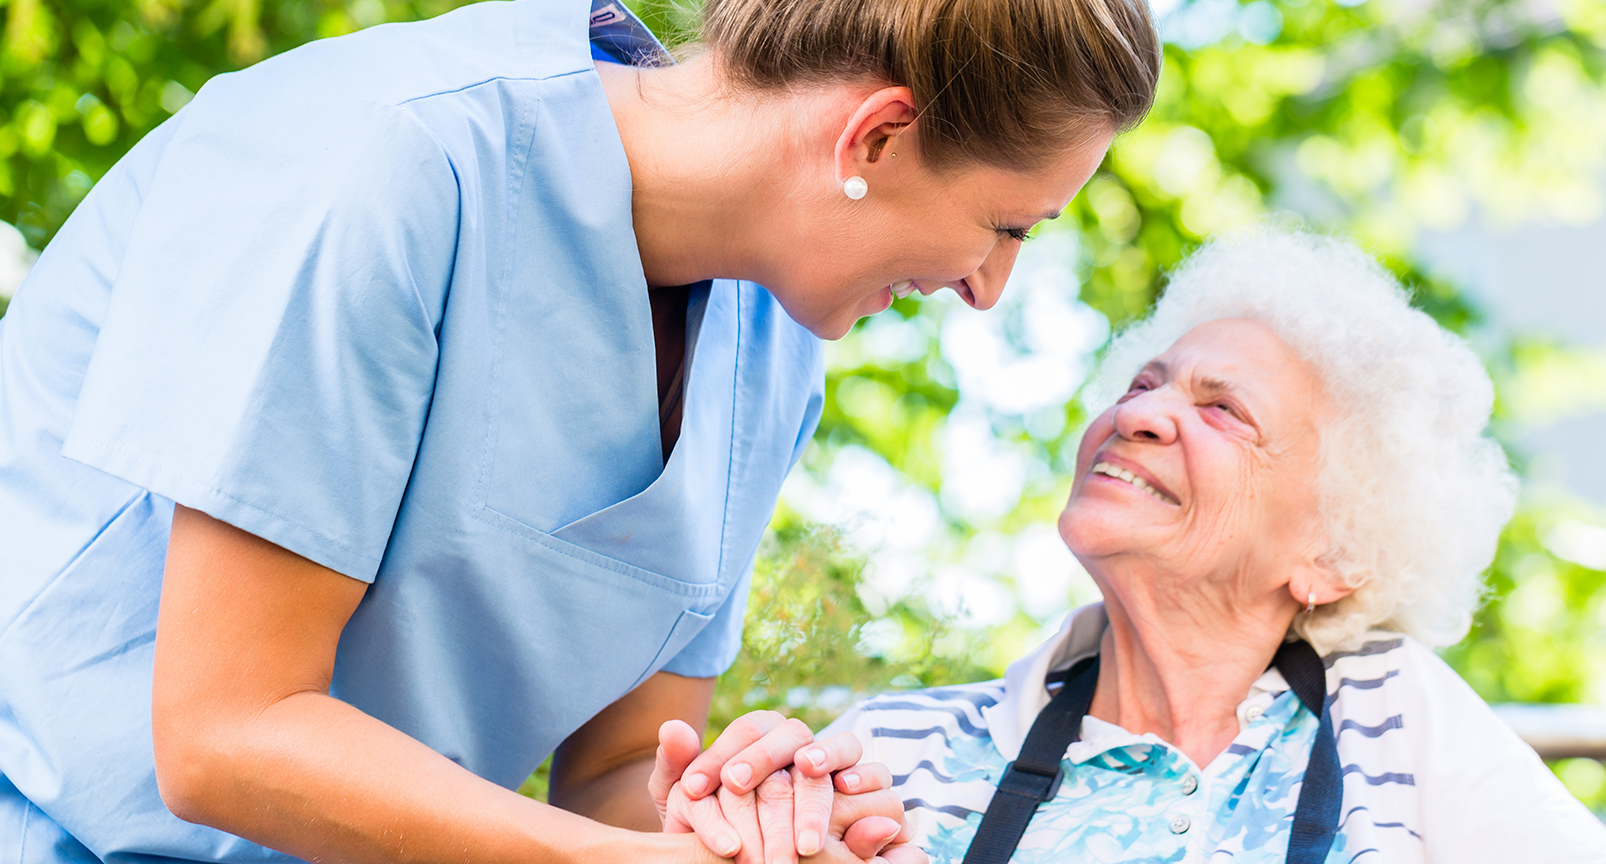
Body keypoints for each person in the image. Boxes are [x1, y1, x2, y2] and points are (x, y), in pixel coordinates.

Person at [0, 0, 1161, 861]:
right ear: (873, 138)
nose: (989, 287)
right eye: (1007, 226)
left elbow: (608, 771)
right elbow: (222, 736)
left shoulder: (772, 354)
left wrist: (741, 827)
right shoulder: (384, 159)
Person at [825, 230, 1606, 864]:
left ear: (1332, 555)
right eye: (1146, 384)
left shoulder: (1388, 715)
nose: (1139, 415)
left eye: (1225, 412)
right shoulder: (895, 754)